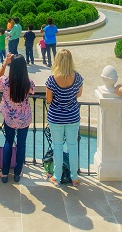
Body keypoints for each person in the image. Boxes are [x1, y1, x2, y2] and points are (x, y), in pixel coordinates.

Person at [45, 49, 83, 187]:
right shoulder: (77, 77)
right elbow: (79, 94)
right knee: (73, 147)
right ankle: (74, 177)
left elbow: (49, 100)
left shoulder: (52, 79)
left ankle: (57, 177)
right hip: (72, 116)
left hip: (56, 117)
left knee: (58, 147)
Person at [0, 55, 35, 182]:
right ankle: (18, 172)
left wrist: (4, 63)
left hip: (10, 118)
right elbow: (32, 90)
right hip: (24, 118)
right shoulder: (28, 83)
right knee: (21, 144)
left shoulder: (6, 82)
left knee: (8, 141)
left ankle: (5, 173)